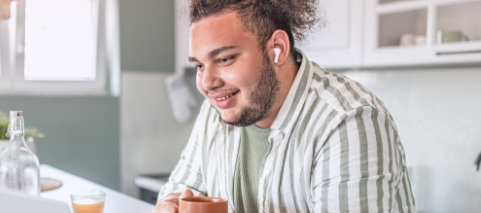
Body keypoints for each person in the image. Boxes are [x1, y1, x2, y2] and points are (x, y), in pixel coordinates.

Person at [154, 0, 417, 212]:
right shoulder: (217, 112)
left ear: (277, 48)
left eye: (224, 59)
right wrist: (171, 204)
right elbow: (183, 186)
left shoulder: (349, 120)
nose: (206, 83)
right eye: (199, 66)